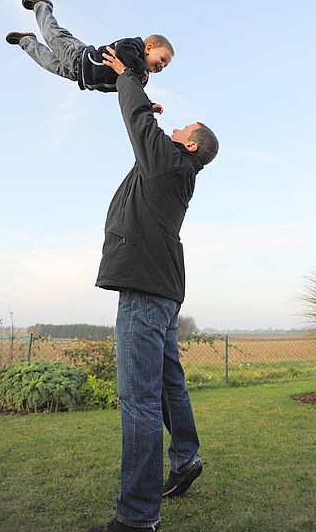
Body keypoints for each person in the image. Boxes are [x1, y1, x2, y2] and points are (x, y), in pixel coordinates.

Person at [89, 46, 219, 532]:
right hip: (162, 292)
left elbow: (138, 127)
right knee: (170, 385)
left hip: (145, 291)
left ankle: (137, 517)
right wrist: (141, 94)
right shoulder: (175, 168)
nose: (176, 128)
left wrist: (128, 79)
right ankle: (185, 458)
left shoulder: (167, 164)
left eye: (183, 130)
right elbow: (149, 133)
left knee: (139, 401)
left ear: (190, 145)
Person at [5, 0, 173, 113]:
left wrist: (148, 105)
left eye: (165, 66)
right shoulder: (134, 46)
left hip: (79, 75)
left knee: (47, 62)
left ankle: (26, 41)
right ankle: (42, 6)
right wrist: (139, 70)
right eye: (162, 59)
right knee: (53, 35)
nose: (161, 66)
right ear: (149, 48)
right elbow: (122, 49)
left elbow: (135, 93)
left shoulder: (141, 77)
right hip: (79, 56)